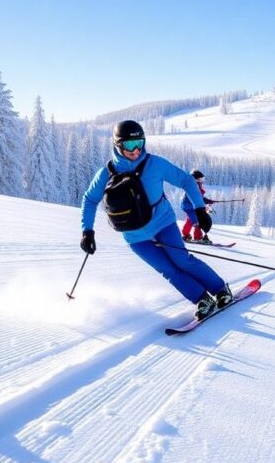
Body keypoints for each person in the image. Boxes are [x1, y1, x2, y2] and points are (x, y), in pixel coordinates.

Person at [80, 120, 233, 319]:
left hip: (163, 223)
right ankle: (202, 299)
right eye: (129, 145)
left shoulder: (154, 164)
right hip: (135, 236)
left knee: (181, 260)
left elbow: (186, 180)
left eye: (139, 143)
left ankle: (221, 289)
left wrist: (200, 210)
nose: (135, 150)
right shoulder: (105, 173)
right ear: (117, 145)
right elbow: (90, 199)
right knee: (168, 269)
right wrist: (87, 231)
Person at [181, 169, 216, 243]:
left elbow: (199, 197)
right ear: (195, 179)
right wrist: (206, 201)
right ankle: (198, 237)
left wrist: (208, 200)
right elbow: (196, 197)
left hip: (190, 206)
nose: (202, 180)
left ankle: (186, 234)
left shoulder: (195, 185)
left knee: (190, 220)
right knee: (196, 221)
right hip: (190, 206)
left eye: (202, 179)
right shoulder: (194, 186)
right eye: (200, 178)